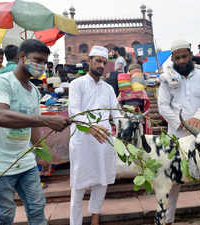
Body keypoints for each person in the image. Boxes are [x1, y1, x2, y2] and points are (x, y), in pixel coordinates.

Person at [0, 39, 71, 225]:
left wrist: (41, 152)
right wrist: (46, 120)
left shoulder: (33, 91)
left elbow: (33, 126)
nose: (41, 65)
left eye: (44, 61)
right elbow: (0, 116)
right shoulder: (1, 84)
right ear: (22, 57)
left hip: (24, 160)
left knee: (37, 207)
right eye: (37, 60)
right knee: (4, 214)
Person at [158, 40, 200, 225]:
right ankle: (167, 219)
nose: (181, 60)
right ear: (172, 58)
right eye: (177, 57)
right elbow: (163, 105)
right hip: (178, 134)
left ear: (190, 55)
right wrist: (179, 122)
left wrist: (197, 119)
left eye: (184, 56)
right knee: (172, 179)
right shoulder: (167, 78)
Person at [68, 45, 121, 225]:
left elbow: (117, 113)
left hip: (104, 141)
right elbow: (74, 112)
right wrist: (91, 127)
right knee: (78, 184)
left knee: (102, 180)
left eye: (104, 62)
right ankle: (75, 222)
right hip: (82, 140)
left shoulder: (108, 89)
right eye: (98, 61)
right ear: (89, 60)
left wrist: (127, 125)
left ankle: (95, 216)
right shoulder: (77, 84)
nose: (101, 65)